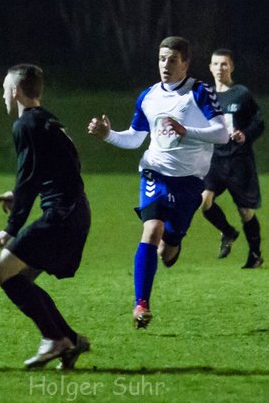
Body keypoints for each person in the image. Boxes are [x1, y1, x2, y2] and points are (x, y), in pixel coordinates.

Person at [87, 36, 228, 329]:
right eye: (162, 59)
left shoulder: (199, 93)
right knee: (151, 230)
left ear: (185, 63)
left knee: (167, 250)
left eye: (172, 60)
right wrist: (108, 135)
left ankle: (174, 242)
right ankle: (141, 304)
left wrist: (185, 130)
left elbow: (221, 134)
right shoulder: (148, 97)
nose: (165, 65)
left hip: (190, 182)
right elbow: (136, 138)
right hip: (155, 172)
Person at [0, 64, 92, 369]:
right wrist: (17, 195)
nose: (3, 95)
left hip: (62, 215)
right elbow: (47, 173)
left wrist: (11, 227)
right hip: (75, 212)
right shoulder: (48, 120)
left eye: (4, 89)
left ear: (15, 91)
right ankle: (70, 340)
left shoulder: (25, 125)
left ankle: (55, 338)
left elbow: (27, 175)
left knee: (3, 271)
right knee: (20, 278)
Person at [199, 48, 266, 268]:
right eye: (216, 64)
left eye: (224, 64)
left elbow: (259, 122)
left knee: (245, 211)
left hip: (239, 160)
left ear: (231, 67)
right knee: (204, 203)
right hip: (215, 160)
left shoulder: (241, 94)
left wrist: (245, 135)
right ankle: (228, 232)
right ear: (210, 67)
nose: (220, 68)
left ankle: (255, 255)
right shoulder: (206, 95)